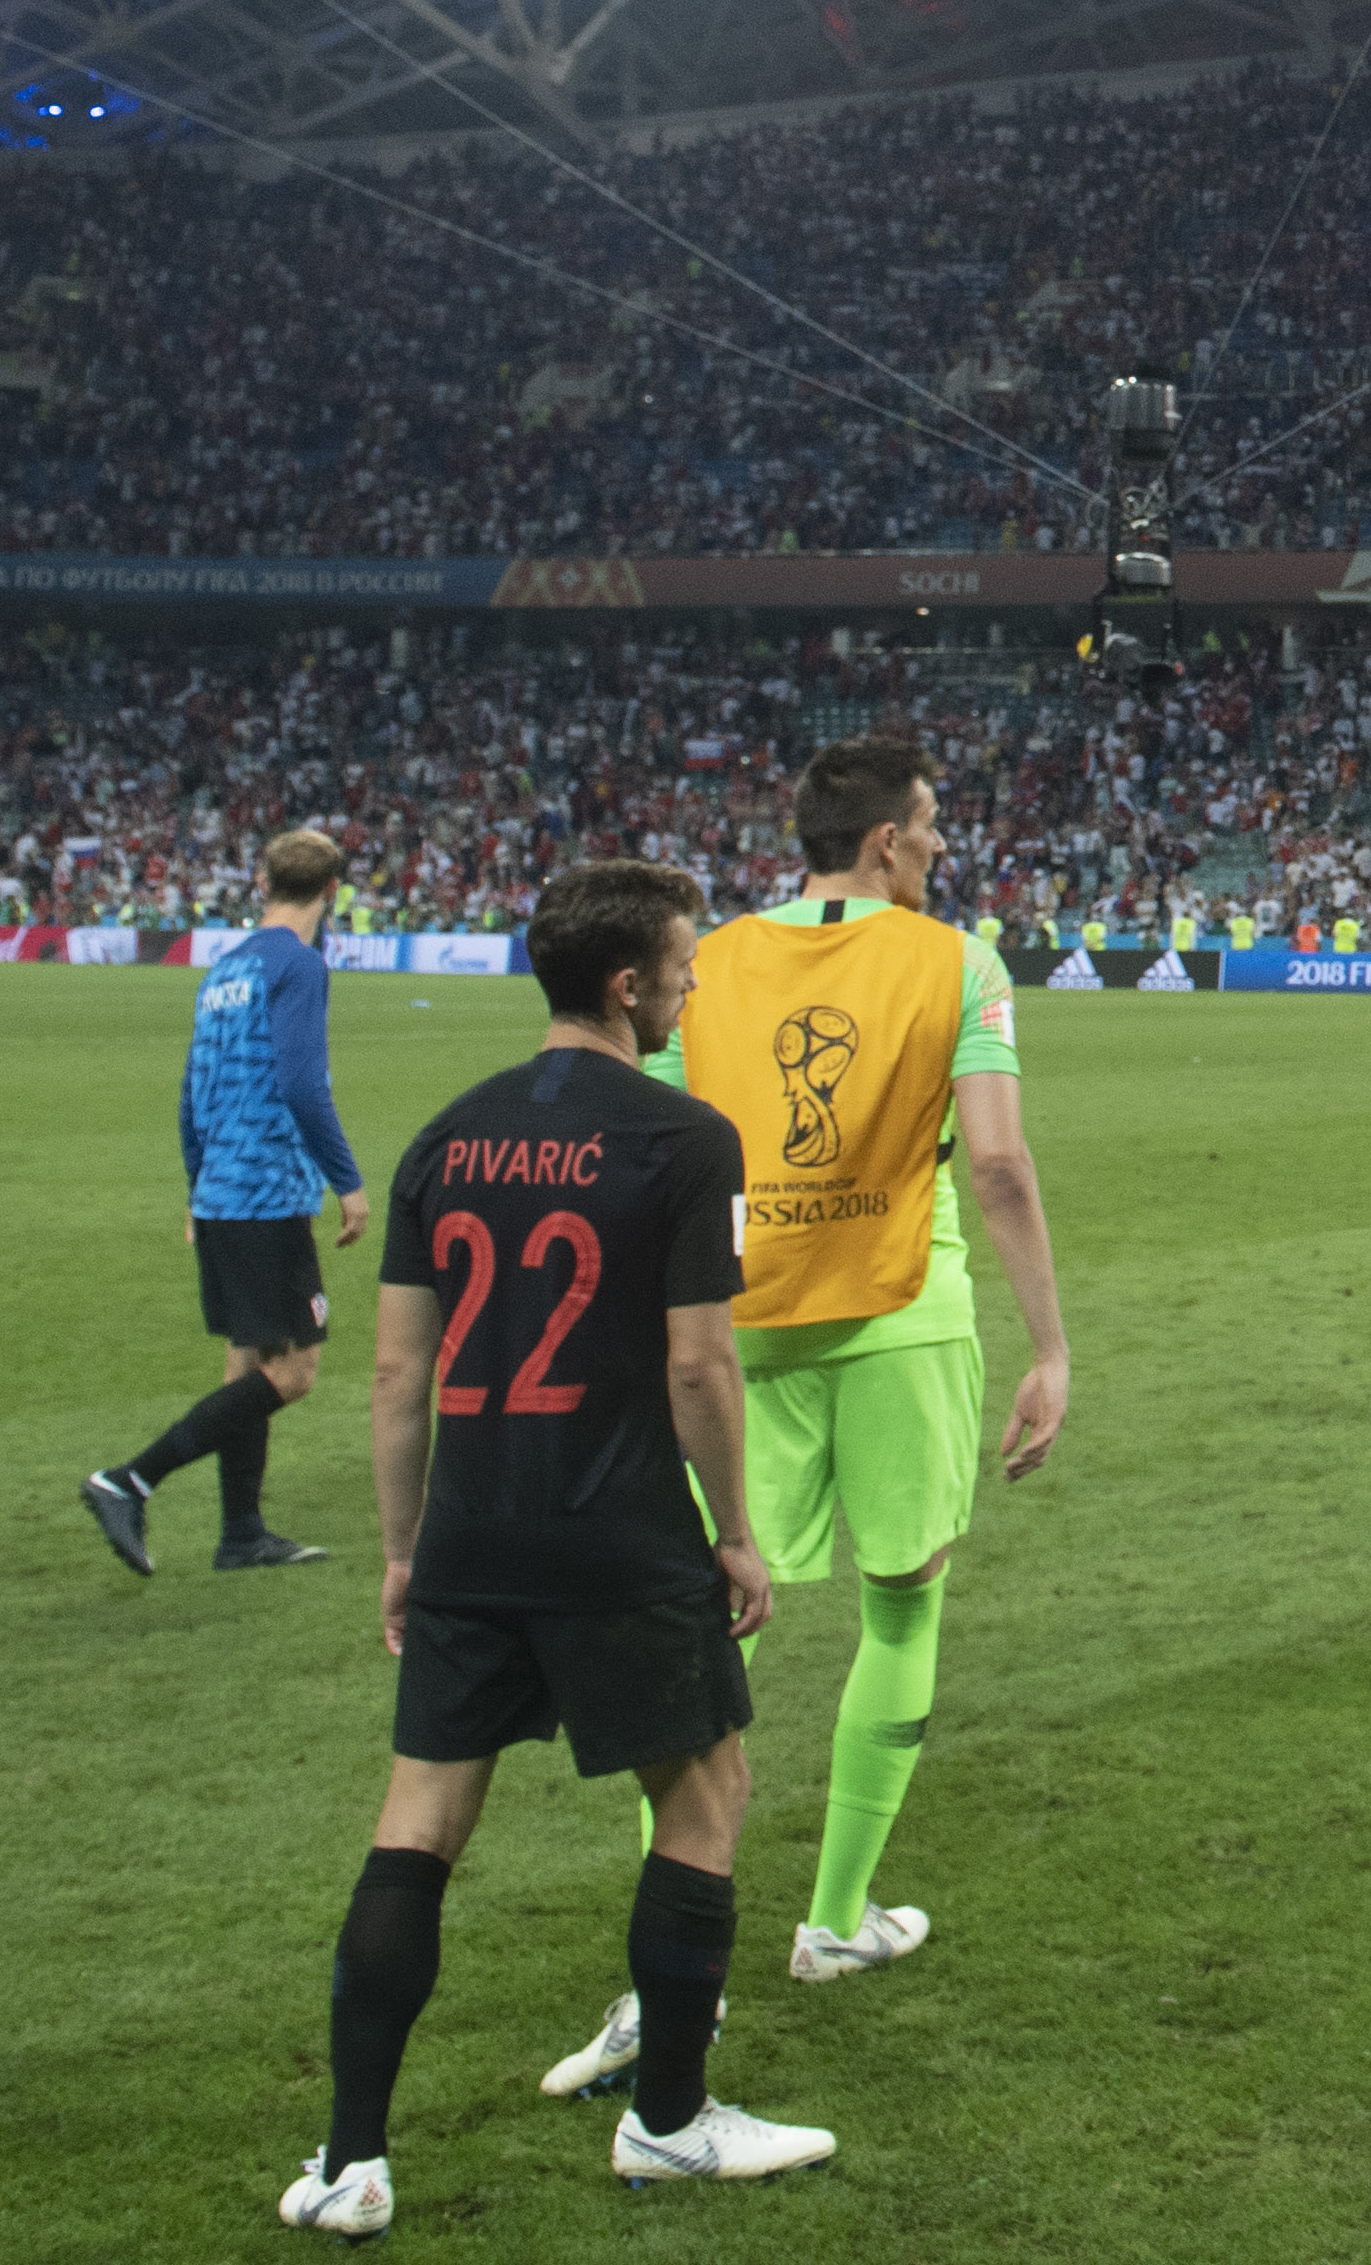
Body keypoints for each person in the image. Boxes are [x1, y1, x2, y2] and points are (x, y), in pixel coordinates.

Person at [277, 862, 832, 2237]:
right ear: (627, 985)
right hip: (619, 1532)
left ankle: (349, 2163)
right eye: (682, 968)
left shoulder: (444, 1137)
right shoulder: (685, 1138)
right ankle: (669, 2125)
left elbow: (395, 1378)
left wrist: (402, 1551)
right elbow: (699, 1366)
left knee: (418, 1825)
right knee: (707, 1794)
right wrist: (738, 1532)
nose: (691, 987)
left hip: (471, 1534)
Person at [608, 736, 1075, 2017]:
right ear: (883, 840)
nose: (939, 844)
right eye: (928, 825)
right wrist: (1049, 1347)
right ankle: (832, 1920)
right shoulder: (958, 960)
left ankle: (675, 1964)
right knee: (905, 1603)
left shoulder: (708, 965)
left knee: (711, 1622)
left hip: (740, 1330)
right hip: (901, 1315)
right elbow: (997, 1165)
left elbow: (648, 1144)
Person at [87, 830, 363, 1579]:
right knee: (294, 1371)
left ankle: (241, 1533)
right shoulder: (299, 964)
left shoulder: (225, 968)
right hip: (267, 1194)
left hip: (220, 1193)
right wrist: (347, 1180)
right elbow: (303, 1083)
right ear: (332, 890)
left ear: (262, 881)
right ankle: (129, 1480)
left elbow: (192, 1091)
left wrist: (196, 1185)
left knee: (248, 1364)